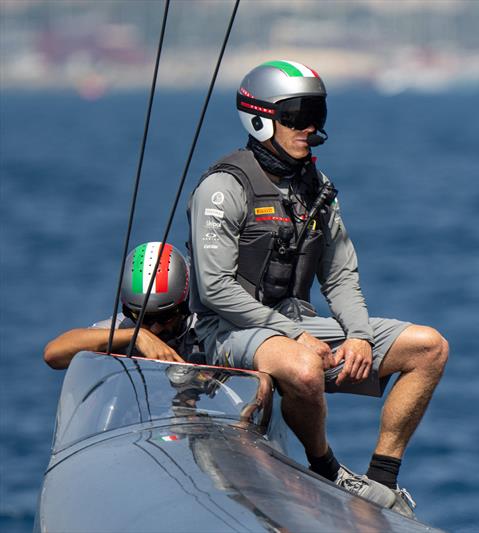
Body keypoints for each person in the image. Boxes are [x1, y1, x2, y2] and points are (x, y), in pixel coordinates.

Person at [187, 60, 448, 514]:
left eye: (317, 115)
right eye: (295, 116)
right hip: (224, 332)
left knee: (429, 348)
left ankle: (380, 480)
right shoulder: (223, 188)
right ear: (260, 117)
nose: (309, 127)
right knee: (305, 368)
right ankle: (326, 468)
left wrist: (361, 336)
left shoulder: (318, 189)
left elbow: (341, 275)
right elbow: (215, 290)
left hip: (292, 327)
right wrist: (291, 335)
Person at [44, 242, 198, 369]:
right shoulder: (127, 328)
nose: (155, 329)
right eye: (143, 318)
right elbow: (53, 354)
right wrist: (135, 335)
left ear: (184, 307)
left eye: (165, 317)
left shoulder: (206, 327)